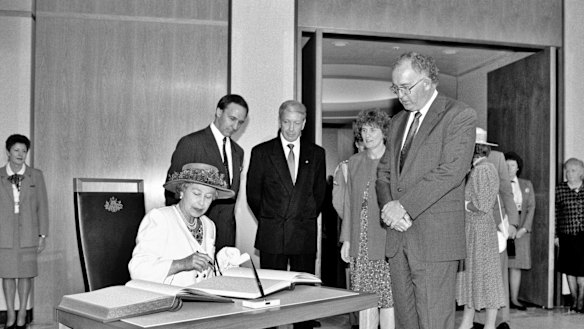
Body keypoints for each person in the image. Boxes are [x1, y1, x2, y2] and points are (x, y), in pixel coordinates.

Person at [376, 52, 476, 329]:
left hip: (434, 239)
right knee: (406, 322)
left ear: (428, 82)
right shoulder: (396, 122)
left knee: (433, 322)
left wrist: (403, 205)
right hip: (398, 237)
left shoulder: (459, 115)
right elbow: (383, 173)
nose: (400, 95)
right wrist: (389, 209)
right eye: (395, 88)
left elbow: (452, 171)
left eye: (405, 87)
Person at [247, 100, 326, 329]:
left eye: (297, 122)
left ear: (304, 123)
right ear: (279, 121)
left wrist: (303, 215)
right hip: (273, 233)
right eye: (286, 122)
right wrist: (273, 218)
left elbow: (319, 194)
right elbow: (254, 195)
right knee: (271, 295)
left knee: (303, 295)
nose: (291, 128)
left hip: (303, 232)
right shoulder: (262, 152)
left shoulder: (317, 153)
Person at [165, 94, 248, 252]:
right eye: (232, 118)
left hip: (226, 235)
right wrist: (181, 229)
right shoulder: (191, 143)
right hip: (193, 233)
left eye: (241, 122)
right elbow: (172, 192)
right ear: (218, 112)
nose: (236, 126)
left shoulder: (239, 152)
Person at [129, 163, 234, 286]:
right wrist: (183, 264)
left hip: (199, 300)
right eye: (196, 193)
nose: (201, 203)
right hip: (166, 300)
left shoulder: (209, 225)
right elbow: (138, 270)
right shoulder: (161, 218)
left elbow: (205, 275)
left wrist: (222, 264)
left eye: (208, 197)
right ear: (182, 191)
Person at [340, 109, 394, 329]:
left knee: (388, 298)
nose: (368, 135)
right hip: (360, 240)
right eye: (364, 130)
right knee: (365, 299)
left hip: (386, 237)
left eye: (373, 129)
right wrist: (347, 239)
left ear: (383, 132)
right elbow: (349, 203)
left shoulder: (394, 160)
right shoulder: (354, 162)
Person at [456, 134, 506, 329]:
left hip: (481, 231)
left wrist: (465, 205)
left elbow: (483, 205)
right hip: (476, 231)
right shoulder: (480, 169)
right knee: (475, 276)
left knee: (486, 276)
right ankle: (468, 322)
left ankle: (489, 325)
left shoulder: (483, 170)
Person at [0, 134, 49, 329]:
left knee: (26, 274)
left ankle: (22, 314)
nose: (20, 154)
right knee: (8, 275)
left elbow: (42, 206)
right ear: (8, 152)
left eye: (24, 151)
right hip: (4, 234)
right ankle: (10, 313)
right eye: (16, 150)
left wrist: (43, 234)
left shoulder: (36, 175)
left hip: (29, 233)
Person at [475, 129, 519, 329]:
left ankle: (502, 320)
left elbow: (506, 191)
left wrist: (513, 223)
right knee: (476, 274)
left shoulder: (498, 158)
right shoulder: (460, 155)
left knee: (498, 274)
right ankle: (478, 319)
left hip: (496, 224)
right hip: (472, 223)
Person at [505, 151, 535, 311]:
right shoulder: (498, 183)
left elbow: (531, 207)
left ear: (518, 168)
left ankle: (514, 299)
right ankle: (501, 301)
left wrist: (523, 229)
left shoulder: (526, 184)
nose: (510, 168)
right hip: (503, 229)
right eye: (507, 165)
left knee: (516, 265)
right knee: (502, 265)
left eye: (513, 165)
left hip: (521, 230)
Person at [555, 158, 584, 313]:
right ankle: (574, 301)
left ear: (581, 172)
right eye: (567, 170)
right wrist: (555, 235)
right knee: (570, 269)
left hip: (583, 237)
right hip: (566, 235)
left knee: (582, 271)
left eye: (573, 170)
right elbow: (555, 214)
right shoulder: (559, 190)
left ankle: (581, 302)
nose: (569, 173)